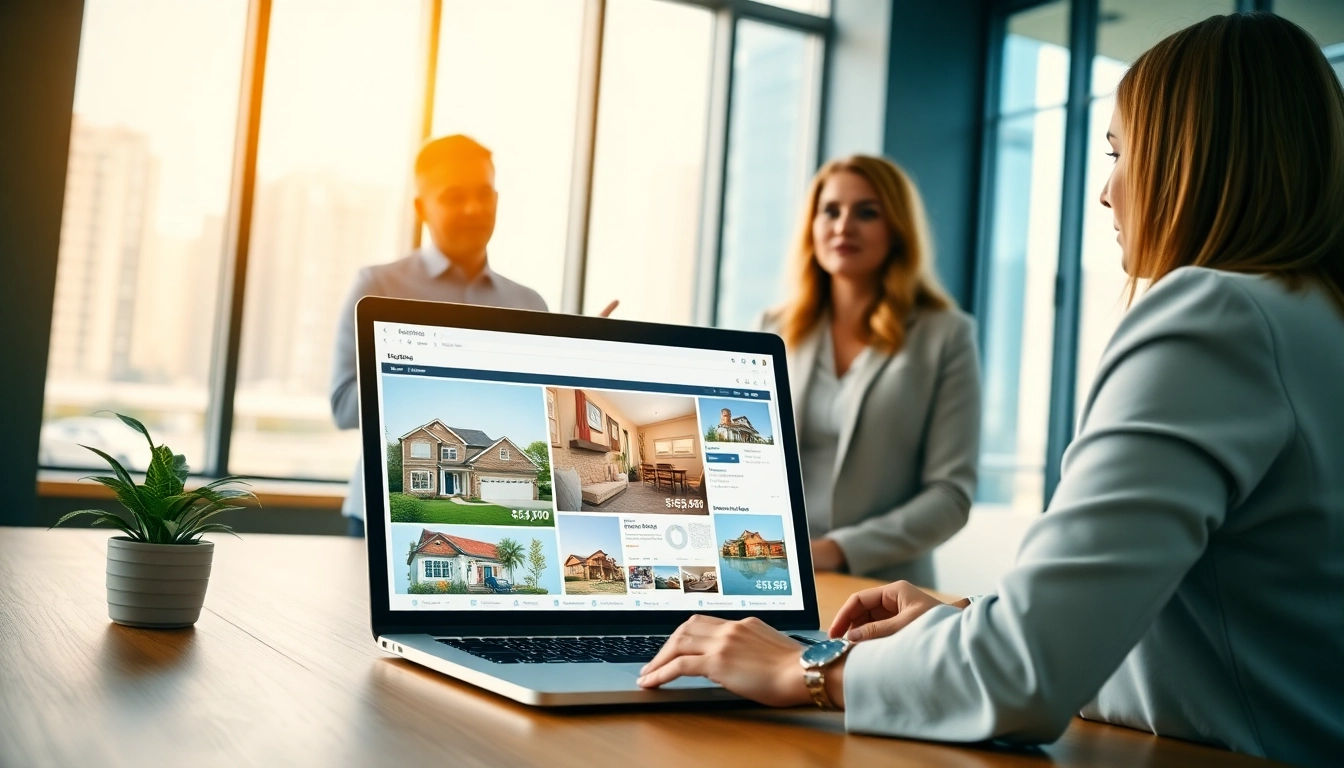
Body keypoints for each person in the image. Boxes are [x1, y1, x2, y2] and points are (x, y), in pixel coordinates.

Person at [639, 13, 1344, 766]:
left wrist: (807, 667)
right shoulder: (1312, 317)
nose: (1106, 193)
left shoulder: (1214, 316)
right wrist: (966, 623)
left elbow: (1025, 673)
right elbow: (1153, 633)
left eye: (1118, 153)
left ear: (1192, 160)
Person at [330, 135, 614, 536]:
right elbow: (343, 406)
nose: (473, 209)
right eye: (454, 197)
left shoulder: (528, 303)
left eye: (484, 195)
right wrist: (429, 358)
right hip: (376, 520)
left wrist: (579, 365)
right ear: (421, 208)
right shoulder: (378, 286)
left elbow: (538, 402)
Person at [758, 155, 980, 585]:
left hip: (885, 586)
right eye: (831, 211)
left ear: (896, 229)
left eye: (867, 213)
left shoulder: (947, 335)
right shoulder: (773, 328)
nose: (844, 226)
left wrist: (833, 551)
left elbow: (950, 496)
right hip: (775, 572)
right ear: (812, 226)